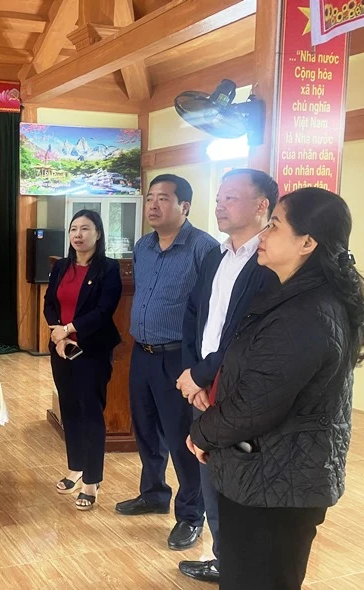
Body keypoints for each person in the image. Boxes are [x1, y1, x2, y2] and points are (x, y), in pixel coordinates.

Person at [189, 188, 364, 590]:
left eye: (274, 225)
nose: (264, 234)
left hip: (277, 485)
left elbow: (256, 403)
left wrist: (202, 432)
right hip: (269, 475)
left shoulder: (305, 313)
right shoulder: (293, 296)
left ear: (307, 243)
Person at [176, 169, 279, 583]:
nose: (219, 205)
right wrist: (192, 374)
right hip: (202, 389)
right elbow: (193, 317)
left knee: (239, 482)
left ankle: (241, 566)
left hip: (236, 389)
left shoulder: (269, 262)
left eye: (230, 198)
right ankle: (224, 559)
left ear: (261, 206)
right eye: (218, 198)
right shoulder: (215, 257)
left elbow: (244, 333)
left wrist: (201, 375)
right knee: (210, 478)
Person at [115, 174, 217, 550]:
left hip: (179, 359)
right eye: (150, 198)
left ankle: (190, 515)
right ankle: (154, 493)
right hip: (142, 353)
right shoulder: (143, 246)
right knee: (146, 430)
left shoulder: (204, 248)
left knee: (181, 438)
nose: (153, 205)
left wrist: (199, 367)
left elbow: (210, 309)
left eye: (163, 198)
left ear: (184, 206)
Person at [44, 209, 122, 511]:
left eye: (85, 228)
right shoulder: (61, 267)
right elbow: (49, 303)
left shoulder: (108, 269)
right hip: (61, 349)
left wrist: (69, 330)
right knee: (70, 409)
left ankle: (92, 480)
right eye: (74, 229)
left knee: (90, 412)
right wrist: (59, 336)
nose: (78, 234)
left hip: (92, 350)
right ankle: (75, 467)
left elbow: (103, 311)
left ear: (98, 234)